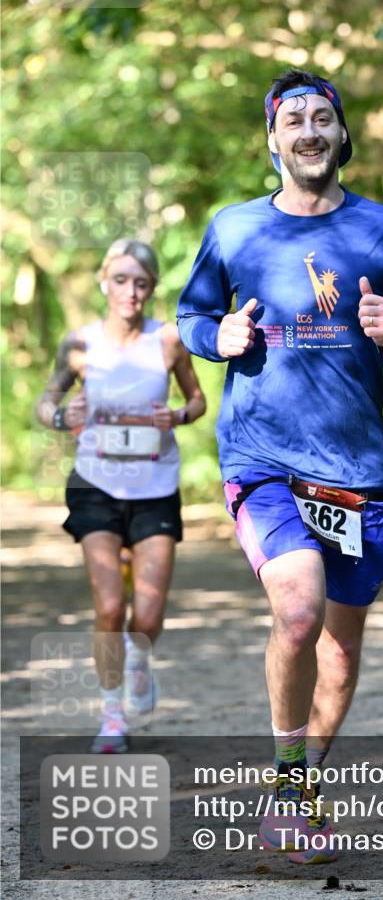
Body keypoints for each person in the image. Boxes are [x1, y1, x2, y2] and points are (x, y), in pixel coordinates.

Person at [177, 69, 383, 863]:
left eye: (322, 117)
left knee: (338, 652)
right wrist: (212, 337)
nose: (308, 130)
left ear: (341, 134)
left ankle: (298, 786)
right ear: (272, 140)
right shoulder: (233, 229)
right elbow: (191, 314)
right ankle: (291, 791)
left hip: (353, 468)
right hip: (261, 458)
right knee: (296, 614)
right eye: (293, 119)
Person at [37, 239, 206, 754]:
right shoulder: (80, 344)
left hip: (155, 487)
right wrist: (65, 417)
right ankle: (112, 717)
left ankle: (138, 658)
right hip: (96, 486)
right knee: (110, 606)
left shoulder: (169, 340)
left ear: (152, 288)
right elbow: (47, 402)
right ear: (104, 283)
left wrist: (176, 415)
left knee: (148, 618)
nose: (130, 292)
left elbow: (197, 399)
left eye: (141, 283)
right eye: (121, 280)